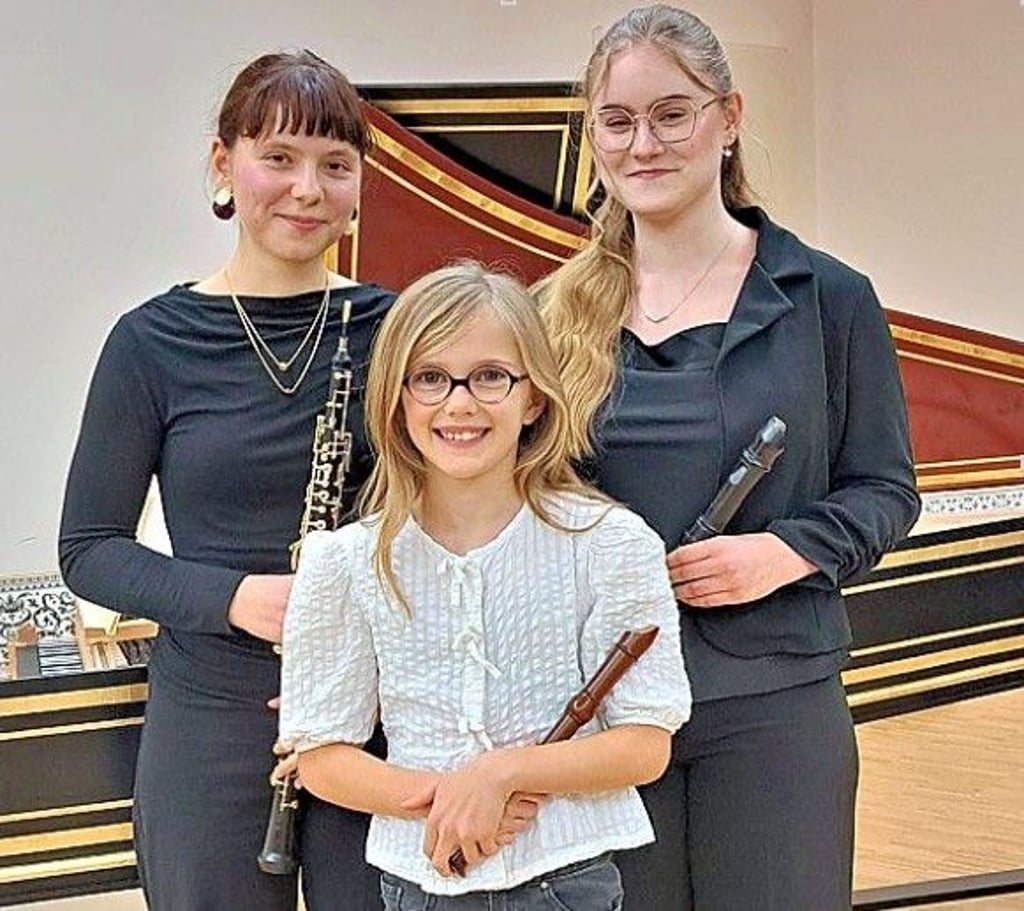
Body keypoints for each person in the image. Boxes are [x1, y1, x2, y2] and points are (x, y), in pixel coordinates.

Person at [538, 6, 922, 910]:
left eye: (672, 114)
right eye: (617, 121)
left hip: (774, 701)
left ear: (729, 117)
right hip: (605, 706)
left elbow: (886, 488)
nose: (644, 144)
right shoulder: (550, 310)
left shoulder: (828, 298)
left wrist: (782, 552)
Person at [58, 51, 394, 911]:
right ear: (223, 163)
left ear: (360, 182)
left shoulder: (395, 329)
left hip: (376, 709)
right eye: (278, 158)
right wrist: (239, 598)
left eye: (335, 165)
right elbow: (89, 549)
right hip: (210, 714)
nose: (307, 190)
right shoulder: (150, 342)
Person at [277, 262, 692, 910]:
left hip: (567, 884)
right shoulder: (343, 561)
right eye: (430, 378)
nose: (460, 403)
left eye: (491, 376)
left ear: (534, 398)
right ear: (396, 398)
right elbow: (323, 756)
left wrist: (503, 774)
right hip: (421, 886)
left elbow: (644, 744)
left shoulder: (608, 543)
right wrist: (450, 799)